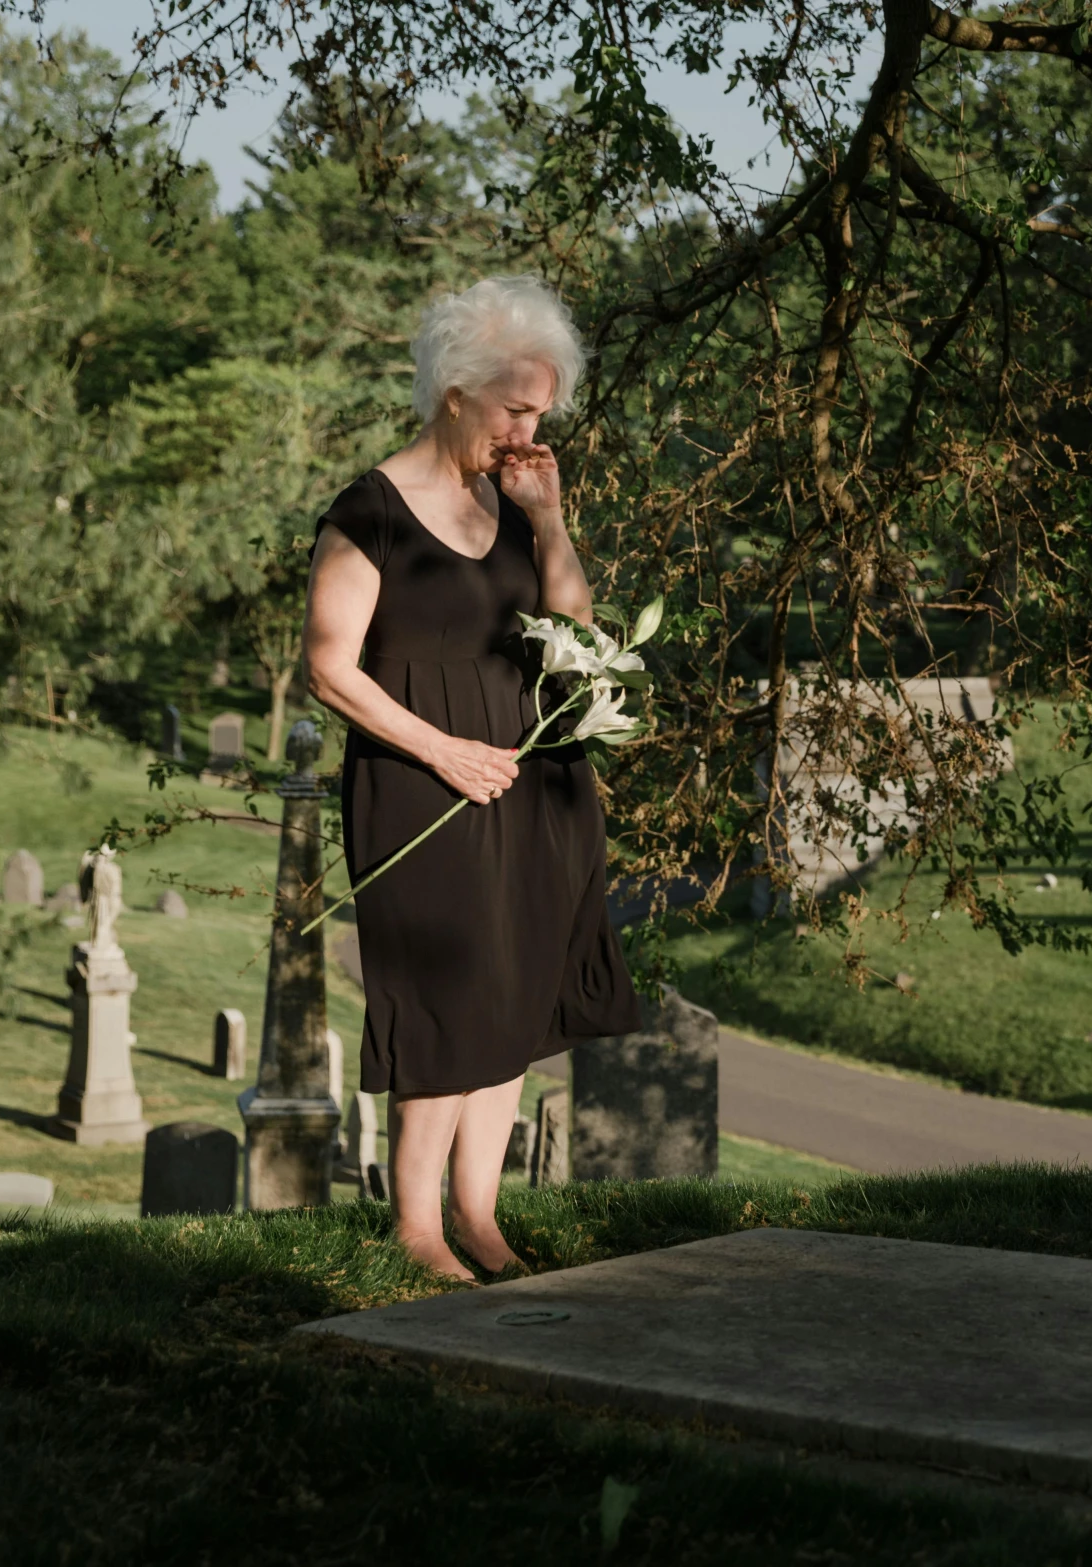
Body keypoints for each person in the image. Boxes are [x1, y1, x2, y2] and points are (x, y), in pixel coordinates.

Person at [304, 276, 637, 1282]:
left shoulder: (515, 496)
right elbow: (328, 665)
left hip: (533, 779)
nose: (529, 429)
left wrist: (550, 518)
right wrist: (440, 749)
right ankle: (415, 1227)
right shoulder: (369, 513)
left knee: (515, 992)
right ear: (454, 389)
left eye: (540, 410)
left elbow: (576, 638)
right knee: (446, 995)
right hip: (421, 780)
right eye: (515, 408)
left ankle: (480, 1217)